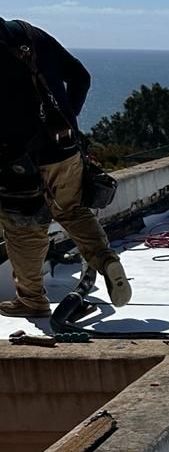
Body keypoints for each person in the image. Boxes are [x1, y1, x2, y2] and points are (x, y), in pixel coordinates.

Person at [0, 18, 131, 319]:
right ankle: (106, 259)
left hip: (18, 161)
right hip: (64, 148)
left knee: (25, 229)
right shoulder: (31, 34)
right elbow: (80, 77)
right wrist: (68, 120)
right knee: (72, 210)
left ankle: (32, 299)